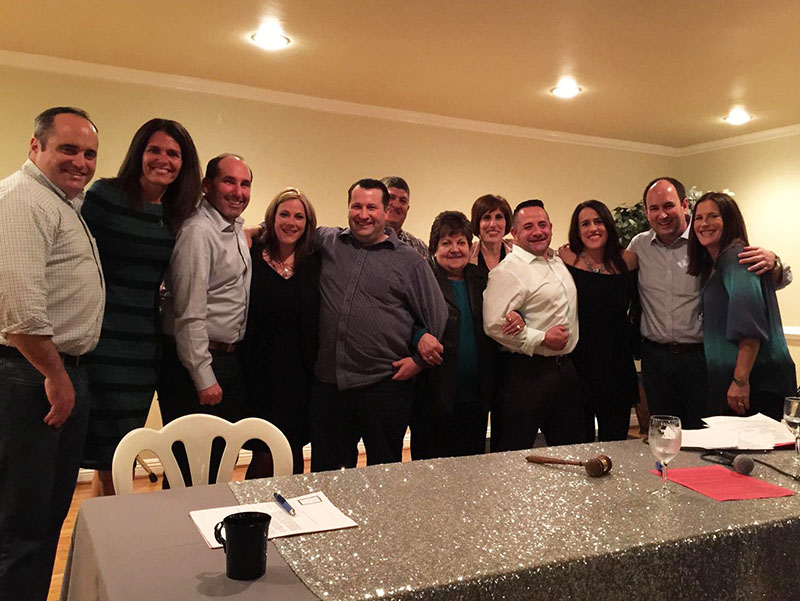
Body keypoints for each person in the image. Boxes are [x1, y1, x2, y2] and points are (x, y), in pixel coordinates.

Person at [0, 107, 103, 601]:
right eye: (68, 148)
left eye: (89, 153)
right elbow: (20, 310)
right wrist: (56, 375)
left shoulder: (61, 203)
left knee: (45, 518)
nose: (81, 162)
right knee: (22, 525)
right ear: (35, 146)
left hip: (55, 373)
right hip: (33, 376)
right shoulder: (23, 200)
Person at [80, 118, 201, 496]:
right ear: (139, 153)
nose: (163, 160)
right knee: (96, 449)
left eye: (173, 154)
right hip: (100, 339)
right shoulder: (104, 196)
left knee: (124, 448)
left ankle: (113, 530)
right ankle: (101, 537)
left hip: (143, 344)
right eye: (155, 150)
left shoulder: (180, 212)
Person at [629, 177, 791, 429]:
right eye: (654, 208)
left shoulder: (708, 245)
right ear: (646, 211)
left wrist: (775, 263)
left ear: (683, 205)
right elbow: (610, 271)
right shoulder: (639, 246)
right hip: (656, 360)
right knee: (663, 434)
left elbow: (757, 288)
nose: (662, 214)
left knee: (704, 435)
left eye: (668, 205)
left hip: (701, 360)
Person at [310, 178, 447, 471]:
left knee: (385, 475)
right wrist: (253, 232)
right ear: (347, 208)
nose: (363, 214)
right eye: (356, 206)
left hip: (384, 386)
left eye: (372, 207)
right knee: (326, 474)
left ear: (386, 212)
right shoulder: (328, 241)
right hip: (330, 386)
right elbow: (290, 229)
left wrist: (420, 361)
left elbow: (436, 315)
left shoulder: (410, 260)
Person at [157, 154, 252, 484]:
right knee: (188, 473)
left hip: (225, 358)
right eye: (229, 181)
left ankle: (212, 533)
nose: (238, 191)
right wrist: (203, 375)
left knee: (215, 469)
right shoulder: (198, 231)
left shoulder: (233, 228)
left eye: (245, 183)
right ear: (207, 185)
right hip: (196, 364)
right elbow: (189, 311)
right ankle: (179, 534)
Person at [411, 211, 522, 460]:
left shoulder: (482, 279)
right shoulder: (422, 280)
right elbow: (404, 318)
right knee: (431, 467)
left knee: (472, 465)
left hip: (476, 395)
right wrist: (418, 335)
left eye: (461, 242)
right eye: (446, 243)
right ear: (434, 248)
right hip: (434, 393)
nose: (455, 249)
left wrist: (516, 315)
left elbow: (504, 310)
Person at [483, 199, 582, 451]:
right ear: (514, 233)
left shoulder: (557, 260)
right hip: (526, 375)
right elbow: (493, 324)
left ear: (551, 227)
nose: (537, 231)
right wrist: (541, 338)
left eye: (542, 224)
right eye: (528, 226)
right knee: (513, 455)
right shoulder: (508, 271)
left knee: (569, 451)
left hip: (564, 371)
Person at [687, 192, 796, 420]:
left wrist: (740, 380)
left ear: (729, 221)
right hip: (735, 377)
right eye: (698, 218)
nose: (704, 224)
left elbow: (749, 327)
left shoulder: (737, 258)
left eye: (713, 216)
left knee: (753, 455)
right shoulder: (716, 263)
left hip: (756, 381)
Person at [241, 187, 319, 477]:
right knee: (262, 451)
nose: (291, 222)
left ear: (307, 223)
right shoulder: (251, 254)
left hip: (300, 371)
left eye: (299, 216)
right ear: (271, 218)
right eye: (284, 214)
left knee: (292, 449)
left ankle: (294, 514)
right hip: (258, 369)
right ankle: (251, 513)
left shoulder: (315, 260)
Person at [558, 200, 639, 441]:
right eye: (585, 223)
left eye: (598, 221)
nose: (593, 228)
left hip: (617, 364)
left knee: (615, 443)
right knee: (578, 442)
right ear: (577, 230)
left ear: (608, 225)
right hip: (578, 364)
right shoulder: (565, 260)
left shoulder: (629, 261)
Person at [380, 176, 429, 259]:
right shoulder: (358, 240)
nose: (396, 205)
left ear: (408, 208)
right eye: (391, 198)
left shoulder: (419, 248)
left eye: (402, 201)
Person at [468, 194, 514, 272]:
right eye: (486, 218)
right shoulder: (468, 254)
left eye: (499, 217)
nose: (493, 224)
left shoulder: (518, 251)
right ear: (477, 223)